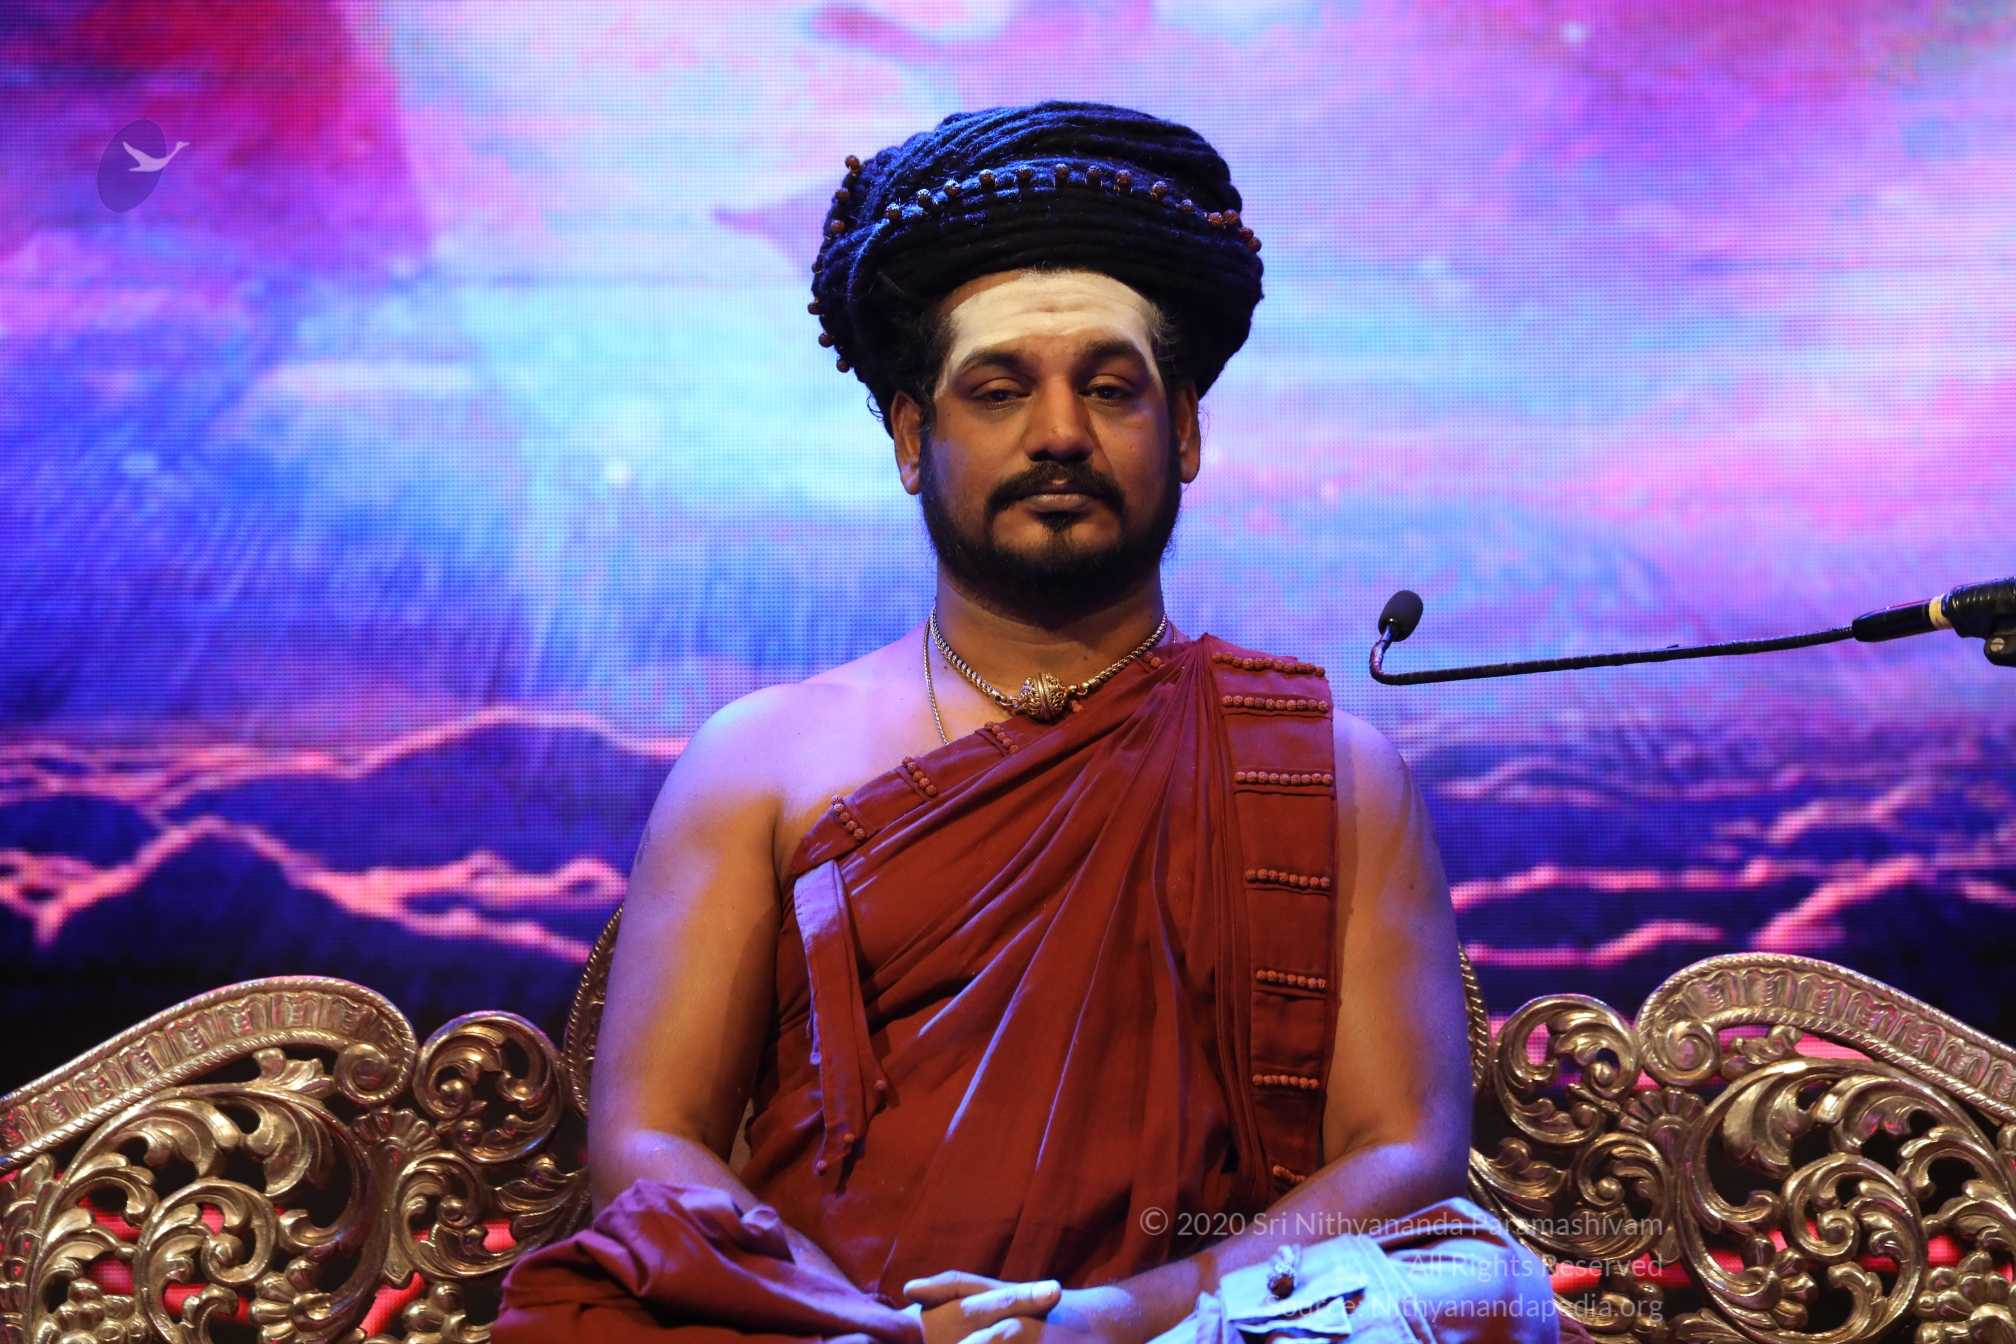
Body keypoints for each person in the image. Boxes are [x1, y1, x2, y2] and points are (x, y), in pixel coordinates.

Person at [495, 100, 1560, 1344]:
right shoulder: (762, 763)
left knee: (1476, 1292)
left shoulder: (1328, 773)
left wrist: (1114, 1320)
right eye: (998, 391)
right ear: (912, 438)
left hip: (1196, 1332)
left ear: (1186, 430)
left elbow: (1401, 1153)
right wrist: (876, 1330)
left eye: (1110, 389)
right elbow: (650, 1144)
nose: (1059, 434)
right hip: (832, 1333)